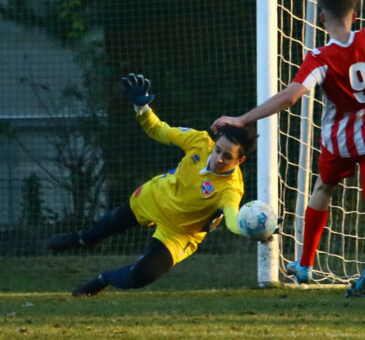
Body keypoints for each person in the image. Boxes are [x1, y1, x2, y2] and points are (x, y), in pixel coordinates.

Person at [211, 0, 365, 298]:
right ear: (356, 14)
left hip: (340, 144)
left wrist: (243, 119)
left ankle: (305, 264)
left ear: (322, 17)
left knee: (322, 189)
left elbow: (291, 96)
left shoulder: (319, 57)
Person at [47, 73, 262, 297]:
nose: (218, 158)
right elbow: (158, 129)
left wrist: (250, 229)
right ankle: (81, 239)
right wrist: (142, 108)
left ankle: (102, 279)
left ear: (239, 160)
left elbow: (231, 220)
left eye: (227, 157)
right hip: (155, 197)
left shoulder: (231, 188)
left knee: (143, 276)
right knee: (99, 232)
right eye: (218, 150)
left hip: (179, 232)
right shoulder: (199, 141)